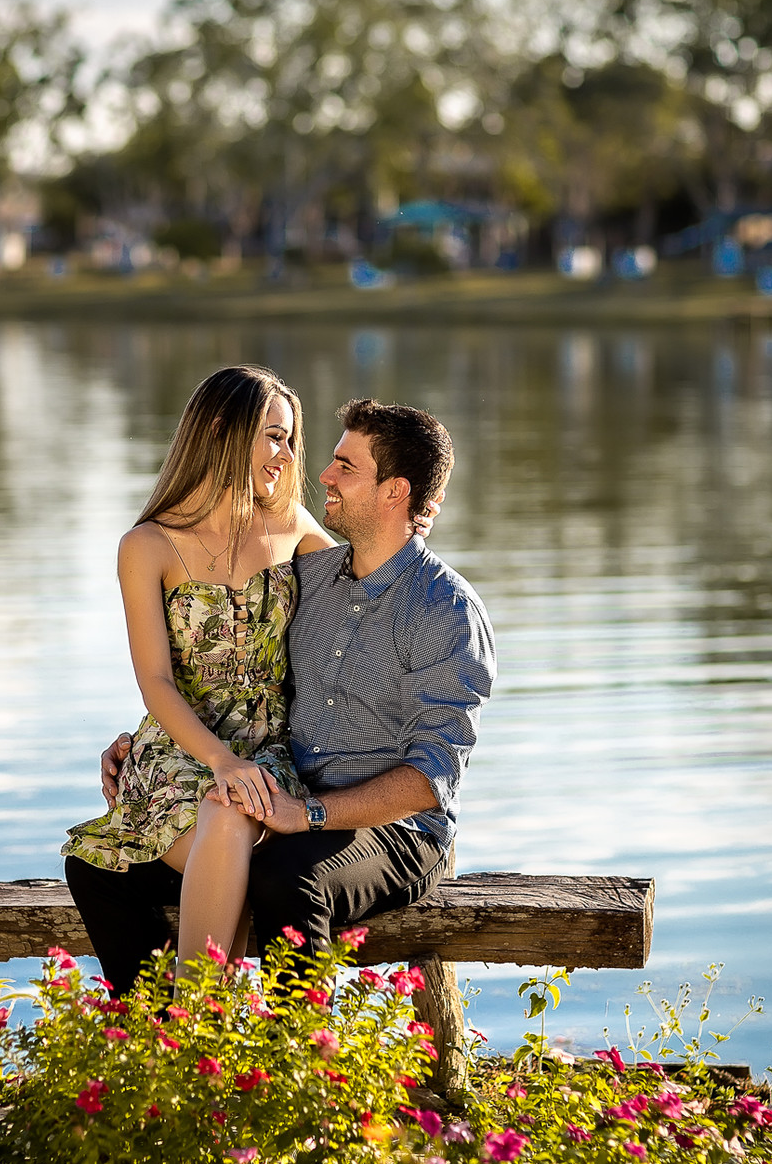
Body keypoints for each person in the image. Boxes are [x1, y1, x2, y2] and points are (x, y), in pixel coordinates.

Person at [66, 393, 496, 991]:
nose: (318, 472)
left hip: (394, 826)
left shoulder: (441, 608)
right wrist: (145, 748)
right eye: (280, 439)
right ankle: (154, 1038)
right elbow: (221, 665)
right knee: (98, 869)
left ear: (395, 491)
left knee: (282, 876)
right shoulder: (310, 575)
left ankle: (276, 1044)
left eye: (344, 466)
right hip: (284, 794)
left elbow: (433, 778)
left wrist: (308, 814)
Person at [61, 364, 330, 977]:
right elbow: (154, 680)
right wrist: (222, 760)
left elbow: (368, 594)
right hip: (180, 752)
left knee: (232, 811)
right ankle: (203, 1020)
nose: (287, 456)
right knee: (228, 810)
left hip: (272, 752)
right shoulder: (147, 545)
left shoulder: (293, 527)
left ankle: (194, 1023)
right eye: (273, 437)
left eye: (290, 440)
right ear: (218, 430)